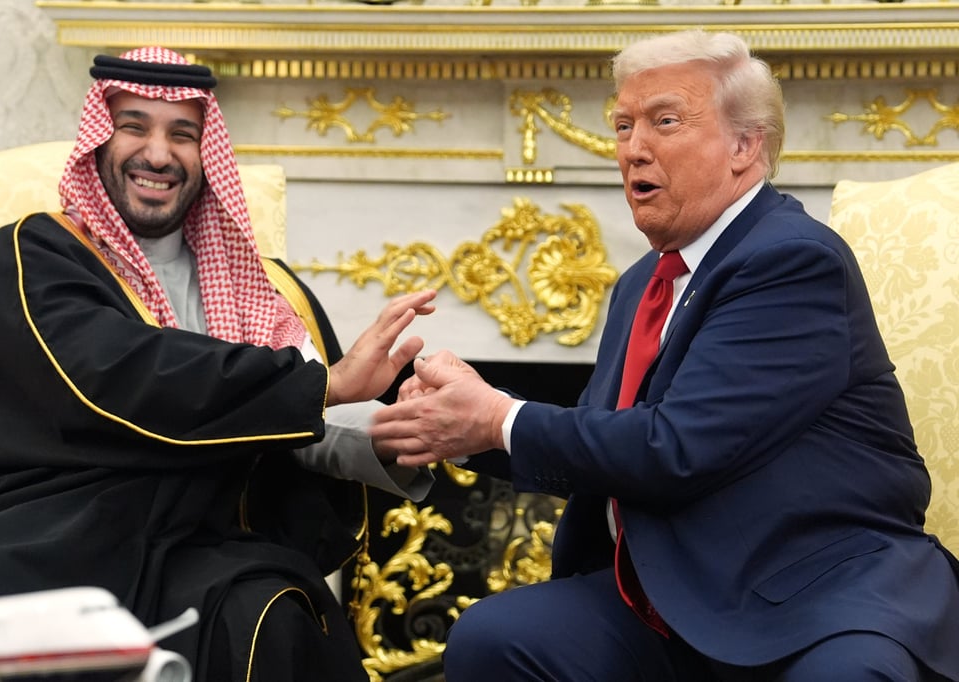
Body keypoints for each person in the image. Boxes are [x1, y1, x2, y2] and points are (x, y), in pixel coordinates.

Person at [370, 30, 959, 681]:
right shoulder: (641, 286)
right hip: (672, 598)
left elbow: (676, 448)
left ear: (744, 144)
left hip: (813, 599)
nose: (632, 148)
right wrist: (457, 424)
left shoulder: (791, 260)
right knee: (495, 637)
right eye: (622, 126)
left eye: (665, 121)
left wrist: (497, 417)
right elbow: (610, 444)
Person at [0, 47, 438, 681]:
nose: (157, 153)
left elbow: (279, 431)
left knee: (272, 612)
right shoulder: (30, 257)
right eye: (134, 126)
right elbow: (127, 376)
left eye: (183, 134)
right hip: (50, 532)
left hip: (197, 541)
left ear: (208, 154)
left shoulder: (264, 290)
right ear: (97, 138)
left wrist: (394, 441)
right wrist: (322, 386)